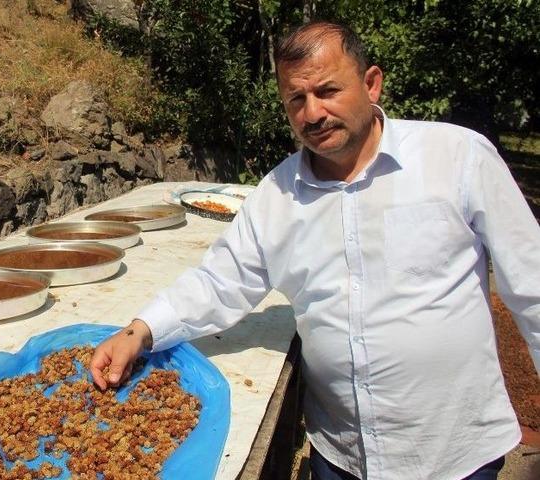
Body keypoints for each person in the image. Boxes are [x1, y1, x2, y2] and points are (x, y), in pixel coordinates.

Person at [89, 20, 540, 480]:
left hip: (452, 454)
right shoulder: (278, 194)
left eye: (328, 90)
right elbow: (220, 282)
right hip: (342, 456)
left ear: (371, 84)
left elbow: (532, 285)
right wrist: (139, 331)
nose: (313, 113)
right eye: (296, 100)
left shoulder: (457, 156)